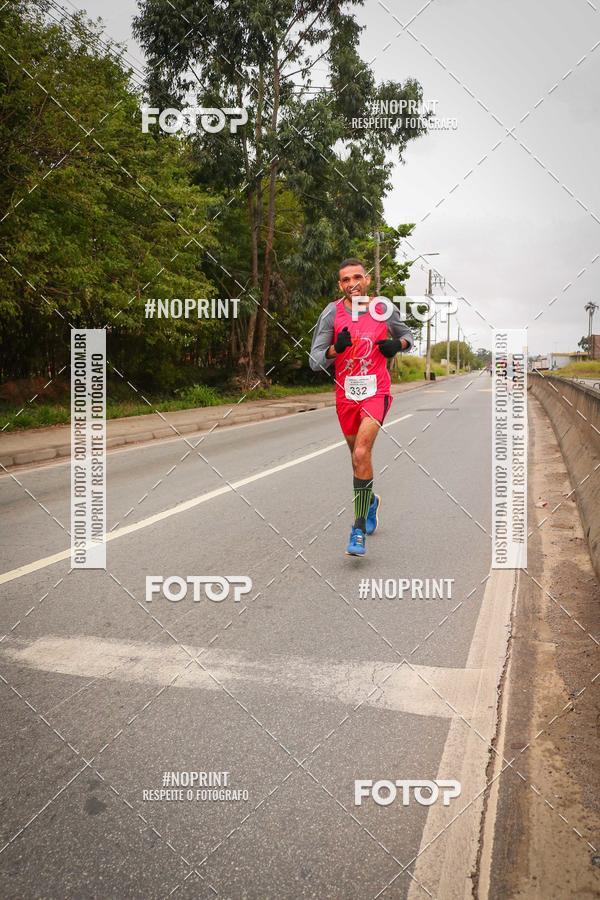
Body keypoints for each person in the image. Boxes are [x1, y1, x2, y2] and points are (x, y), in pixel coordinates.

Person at [309, 258, 414, 556]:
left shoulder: (383, 309)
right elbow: (315, 362)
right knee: (356, 460)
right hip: (346, 396)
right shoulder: (332, 312)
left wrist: (398, 346)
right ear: (340, 285)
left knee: (361, 452)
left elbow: (408, 336)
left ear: (367, 279)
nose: (352, 283)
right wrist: (335, 349)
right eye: (345, 280)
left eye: (357, 277)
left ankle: (357, 530)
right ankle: (370, 502)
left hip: (375, 392)